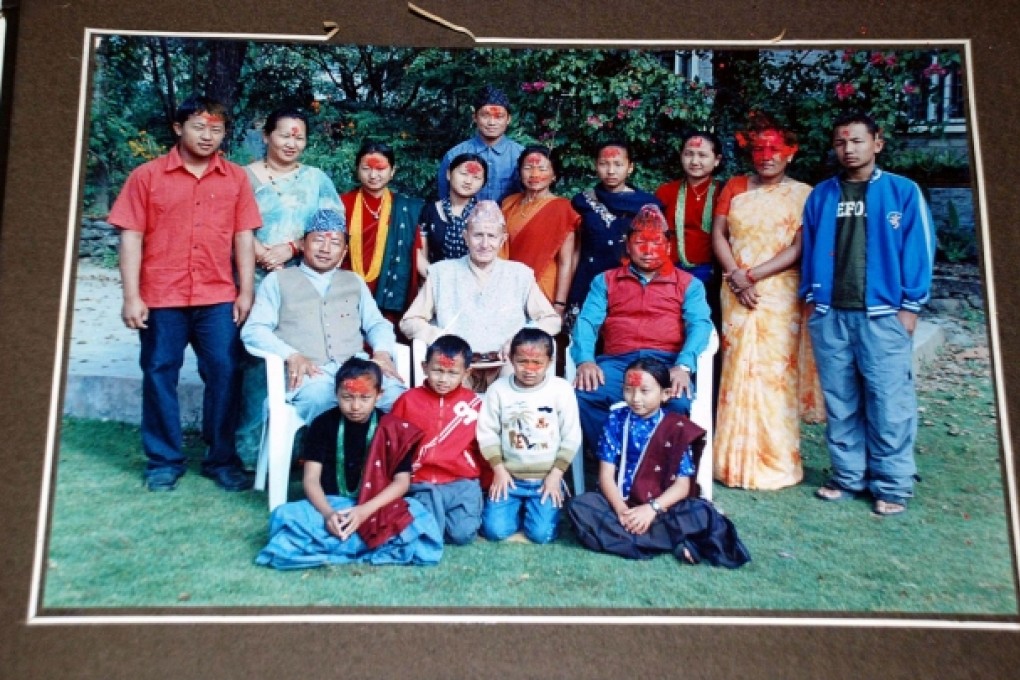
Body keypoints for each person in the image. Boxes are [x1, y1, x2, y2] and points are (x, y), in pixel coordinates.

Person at [109, 95, 259, 493]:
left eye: (216, 129)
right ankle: (163, 460)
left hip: (217, 296)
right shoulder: (147, 176)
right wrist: (131, 296)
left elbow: (244, 235)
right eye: (198, 126)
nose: (208, 136)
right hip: (161, 295)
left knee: (226, 374)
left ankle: (221, 459)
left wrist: (245, 291)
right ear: (178, 128)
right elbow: (131, 237)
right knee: (159, 372)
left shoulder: (236, 178)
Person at [801, 111, 935, 517]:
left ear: (877, 143)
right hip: (830, 313)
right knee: (841, 399)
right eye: (841, 142)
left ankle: (892, 483)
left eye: (857, 141)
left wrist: (910, 307)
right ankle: (847, 475)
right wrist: (811, 298)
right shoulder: (822, 194)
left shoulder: (902, 192)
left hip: (883, 315)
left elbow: (920, 250)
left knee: (888, 400)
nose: (848, 149)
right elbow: (808, 247)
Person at [711, 115, 822, 491]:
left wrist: (752, 275)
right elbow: (719, 234)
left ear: (790, 153)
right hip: (735, 290)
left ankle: (776, 461)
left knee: (776, 375)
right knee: (737, 369)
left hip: (776, 294)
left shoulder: (805, 194)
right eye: (759, 149)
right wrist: (736, 275)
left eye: (775, 149)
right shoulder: (735, 186)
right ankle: (730, 461)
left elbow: (798, 247)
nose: (766, 156)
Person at [255, 358, 443, 569]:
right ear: (336, 394)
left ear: (379, 396)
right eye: (347, 397)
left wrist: (364, 511)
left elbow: (402, 483)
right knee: (285, 515)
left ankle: (333, 547)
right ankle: (366, 546)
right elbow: (310, 479)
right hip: (332, 505)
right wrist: (328, 515)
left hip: (376, 508)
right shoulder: (322, 424)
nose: (355, 406)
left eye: (365, 398)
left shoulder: (392, 428)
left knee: (418, 514)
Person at [236, 107, 346, 466]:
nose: (291, 142)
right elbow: (230, 223)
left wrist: (293, 247)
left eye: (299, 136)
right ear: (267, 135)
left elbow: (332, 227)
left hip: (303, 280)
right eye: (284, 134)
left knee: (302, 358)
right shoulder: (243, 177)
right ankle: (250, 450)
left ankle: (299, 452)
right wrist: (260, 252)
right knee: (255, 361)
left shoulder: (316, 179)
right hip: (250, 279)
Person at [567, 358, 751, 567]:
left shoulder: (676, 427)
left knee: (701, 512)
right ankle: (674, 541)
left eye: (644, 391)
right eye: (629, 390)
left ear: (665, 394)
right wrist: (621, 511)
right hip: (622, 504)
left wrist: (650, 510)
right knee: (579, 506)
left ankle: (634, 540)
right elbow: (606, 475)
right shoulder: (616, 420)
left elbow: (682, 486)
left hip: (662, 507)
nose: (635, 398)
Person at [241, 209, 405, 432]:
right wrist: (291, 354)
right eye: (318, 240)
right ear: (303, 243)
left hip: (355, 368)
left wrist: (382, 352)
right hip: (310, 376)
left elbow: (377, 323)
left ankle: (379, 462)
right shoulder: (278, 280)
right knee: (322, 399)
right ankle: (328, 464)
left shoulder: (353, 281)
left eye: (335, 243)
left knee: (397, 397)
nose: (325, 249)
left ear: (344, 250)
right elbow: (253, 330)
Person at [572, 204, 712, 453]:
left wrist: (684, 365)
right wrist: (585, 360)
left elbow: (700, 325)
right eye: (640, 243)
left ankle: (660, 467)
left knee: (677, 401)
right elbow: (586, 322)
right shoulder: (605, 280)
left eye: (657, 243)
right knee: (584, 395)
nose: (648, 251)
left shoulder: (689, 284)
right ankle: (612, 458)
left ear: (668, 247)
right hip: (618, 364)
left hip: (666, 363)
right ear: (628, 245)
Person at [402, 200, 561, 390]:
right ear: (465, 237)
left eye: (492, 236)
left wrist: (518, 340)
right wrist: (441, 337)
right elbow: (409, 321)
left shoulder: (520, 274)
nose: (485, 244)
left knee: (513, 391)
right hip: (458, 368)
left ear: (502, 240)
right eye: (478, 235)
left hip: (506, 366)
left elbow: (552, 321)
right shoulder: (441, 273)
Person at [476, 328, 582, 544]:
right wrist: (499, 470)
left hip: (546, 479)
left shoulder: (561, 389)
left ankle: (539, 513)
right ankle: (516, 511)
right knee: (494, 531)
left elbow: (571, 435)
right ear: (511, 359)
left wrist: (556, 475)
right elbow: (486, 432)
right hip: (509, 478)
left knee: (541, 535)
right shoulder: (498, 390)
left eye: (537, 363)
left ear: (550, 361)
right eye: (522, 362)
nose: (530, 370)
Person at [389, 335, 488, 545]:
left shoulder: (473, 405)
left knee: (462, 535)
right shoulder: (407, 401)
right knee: (430, 532)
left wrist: (487, 483)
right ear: (425, 367)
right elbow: (393, 445)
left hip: (461, 482)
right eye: (437, 371)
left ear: (466, 373)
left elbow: (484, 448)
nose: (444, 379)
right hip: (421, 482)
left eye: (452, 373)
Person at [566, 140, 665, 321]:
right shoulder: (582, 202)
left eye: (618, 164)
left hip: (630, 281)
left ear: (630, 167)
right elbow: (574, 249)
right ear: (596, 166)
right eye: (604, 164)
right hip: (587, 278)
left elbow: (657, 251)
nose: (611, 171)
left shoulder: (647, 205)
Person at [501, 145, 579, 373]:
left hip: (544, 288)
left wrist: (559, 304)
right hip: (510, 288)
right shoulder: (508, 203)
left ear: (554, 174)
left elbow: (567, 261)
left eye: (542, 168)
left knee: (537, 349)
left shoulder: (562, 207)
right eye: (528, 168)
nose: (534, 174)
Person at [340, 140, 423, 325]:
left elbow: (416, 255)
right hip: (348, 288)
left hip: (390, 291)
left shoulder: (406, 208)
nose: (373, 175)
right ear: (357, 169)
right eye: (366, 168)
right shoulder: (342, 203)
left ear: (392, 171)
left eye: (381, 169)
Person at [436, 84, 523, 204]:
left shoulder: (521, 155)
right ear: (475, 117)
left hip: (511, 221)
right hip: (463, 221)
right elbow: (444, 199)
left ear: (508, 119)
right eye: (485, 116)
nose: (492, 122)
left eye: (499, 117)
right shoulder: (455, 155)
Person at [416, 153, 488, 276]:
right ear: (449, 174)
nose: (468, 181)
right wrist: (437, 280)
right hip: (435, 280)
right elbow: (421, 255)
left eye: (476, 177)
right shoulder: (429, 211)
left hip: (474, 283)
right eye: (463, 174)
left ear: (483, 183)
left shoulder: (485, 214)